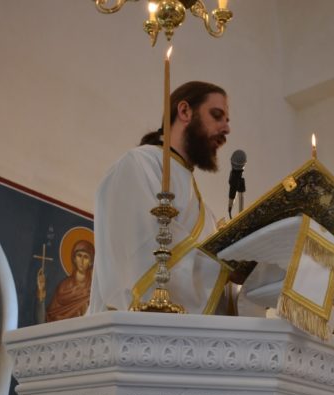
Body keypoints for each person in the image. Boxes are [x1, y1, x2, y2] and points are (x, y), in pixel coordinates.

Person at [88, 81, 231, 314]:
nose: (226, 129)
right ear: (184, 111)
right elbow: (141, 249)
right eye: (217, 116)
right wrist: (222, 269)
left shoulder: (203, 208)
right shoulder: (139, 164)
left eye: (227, 120)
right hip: (132, 325)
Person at [37, 240, 95, 322]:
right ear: (74, 259)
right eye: (79, 255)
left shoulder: (93, 288)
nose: (82, 261)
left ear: (91, 262)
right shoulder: (63, 286)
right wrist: (41, 291)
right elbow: (46, 320)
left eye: (86, 257)